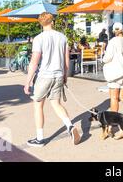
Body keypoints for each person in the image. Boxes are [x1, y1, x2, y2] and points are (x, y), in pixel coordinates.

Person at [24, 12, 81, 147]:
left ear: (40, 23)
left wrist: (27, 82)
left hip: (45, 76)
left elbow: (34, 62)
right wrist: (65, 76)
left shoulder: (39, 38)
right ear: (52, 22)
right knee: (56, 103)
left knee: (38, 105)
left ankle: (40, 139)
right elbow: (66, 59)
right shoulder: (62, 37)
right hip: (58, 75)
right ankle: (70, 126)